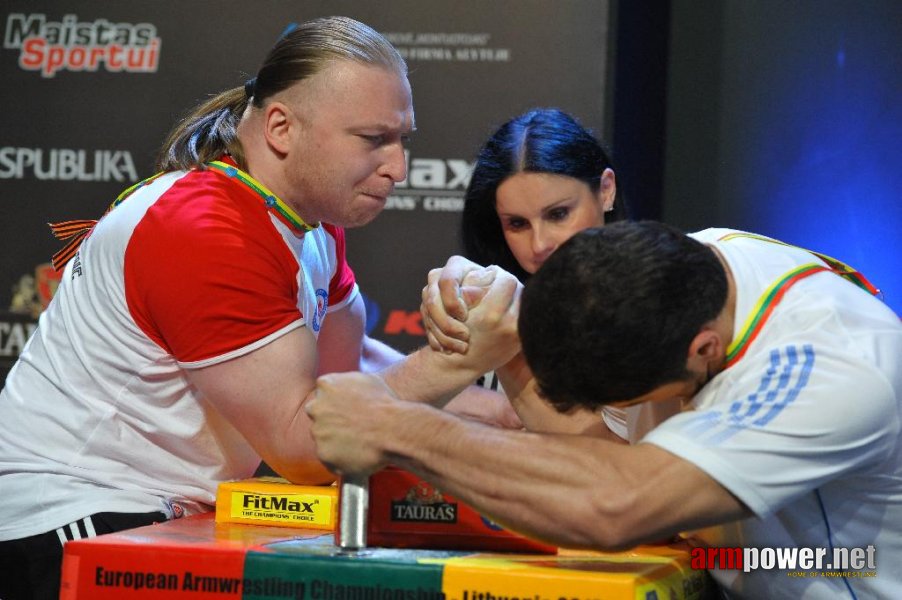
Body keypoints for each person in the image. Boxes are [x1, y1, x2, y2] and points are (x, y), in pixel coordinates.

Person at [0, 16, 515, 600]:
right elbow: (303, 446)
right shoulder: (204, 229)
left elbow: (342, 374)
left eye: (404, 139)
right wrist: (458, 357)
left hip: (167, 511)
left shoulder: (307, 216)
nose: (398, 166)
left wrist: (504, 412)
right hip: (71, 518)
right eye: (374, 139)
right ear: (280, 127)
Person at [306, 221, 902, 598]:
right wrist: (507, 340)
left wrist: (399, 426)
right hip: (747, 569)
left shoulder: (831, 368)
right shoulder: (680, 275)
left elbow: (618, 504)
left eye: (629, 402)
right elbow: (612, 456)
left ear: (704, 352)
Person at [422, 108, 677, 442]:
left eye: (558, 214)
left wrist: (509, 348)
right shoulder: (494, 302)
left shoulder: (664, 303)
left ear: (606, 190)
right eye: (517, 223)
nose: (540, 244)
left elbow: (615, 465)